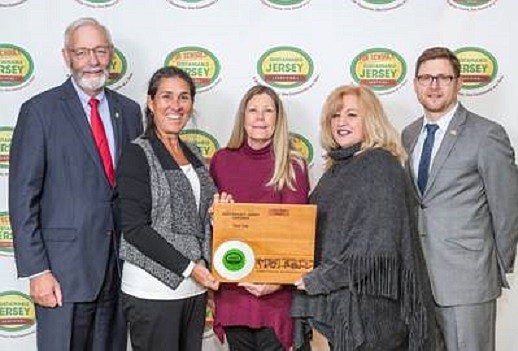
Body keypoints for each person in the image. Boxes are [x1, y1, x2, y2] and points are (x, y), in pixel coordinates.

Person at [9, 17, 143, 351]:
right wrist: (37, 270)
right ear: (67, 56)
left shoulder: (128, 112)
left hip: (119, 270)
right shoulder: (39, 112)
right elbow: (23, 198)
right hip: (63, 275)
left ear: (111, 54)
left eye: (99, 50)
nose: (93, 60)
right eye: (82, 52)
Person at [292, 85, 439, 351]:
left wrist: (317, 280)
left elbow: (374, 251)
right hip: (337, 303)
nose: (341, 122)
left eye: (351, 115)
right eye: (335, 116)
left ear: (370, 120)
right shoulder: (338, 168)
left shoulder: (379, 165)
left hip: (369, 314)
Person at [402, 47, 518, 351]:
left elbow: (508, 206)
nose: (433, 85)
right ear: (415, 84)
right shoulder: (409, 134)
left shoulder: (486, 134)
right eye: (426, 78)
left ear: (458, 83)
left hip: (468, 282)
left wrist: (492, 267)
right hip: (420, 280)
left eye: (443, 77)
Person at [117, 66, 219, 351]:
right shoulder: (137, 153)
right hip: (152, 291)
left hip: (193, 290)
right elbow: (135, 229)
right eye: (166, 96)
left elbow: (201, 214)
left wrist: (219, 212)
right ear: (151, 103)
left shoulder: (194, 154)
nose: (176, 106)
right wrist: (189, 268)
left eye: (184, 97)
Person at [209, 85, 310, 351]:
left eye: (268, 111)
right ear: (243, 116)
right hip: (233, 294)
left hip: (275, 298)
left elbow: (295, 236)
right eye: (253, 110)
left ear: (278, 119)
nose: (260, 117)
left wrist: (276, 282)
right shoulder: (221, 161)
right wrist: (215, 219)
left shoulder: (293, 165)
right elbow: (213, 229)